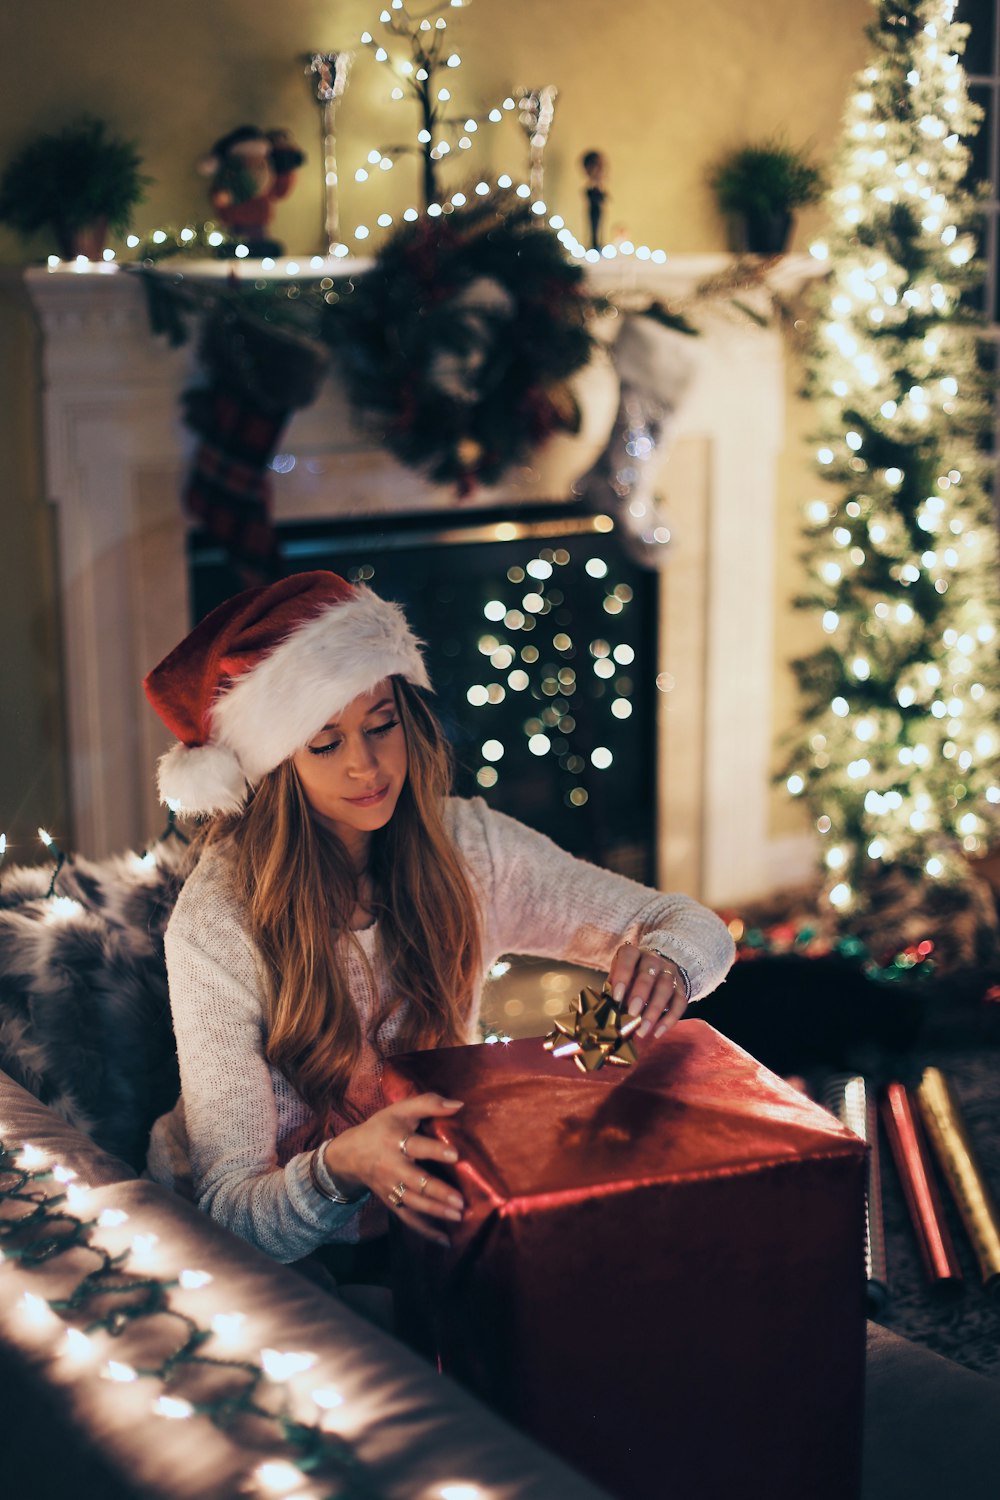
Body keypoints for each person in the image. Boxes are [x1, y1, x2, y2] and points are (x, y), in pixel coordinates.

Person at [144, 571, 735, 1286]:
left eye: (381, 724)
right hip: (264, 1252)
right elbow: (232, 1214)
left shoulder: (468, 849)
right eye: (325, 744)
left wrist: (668, 962)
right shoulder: (219, 923)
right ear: (276, 767)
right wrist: (343, 1168)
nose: (366, 765)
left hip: (432, 1203)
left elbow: (689, 925)